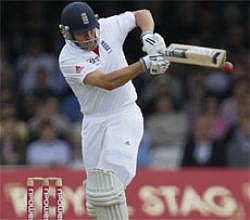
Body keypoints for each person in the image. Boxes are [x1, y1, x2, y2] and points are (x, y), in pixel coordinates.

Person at [58, 2, 170, 220]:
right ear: (68, 34)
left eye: (92, 28)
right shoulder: (68, 58)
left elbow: (141, 14)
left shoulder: (107, 26)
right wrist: (144, 64)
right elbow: (107, 82)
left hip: (123, 113)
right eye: (82, 34)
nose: (90, 35)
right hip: (93, 122)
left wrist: (148, 35)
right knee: (96, 199)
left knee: (109, 187)